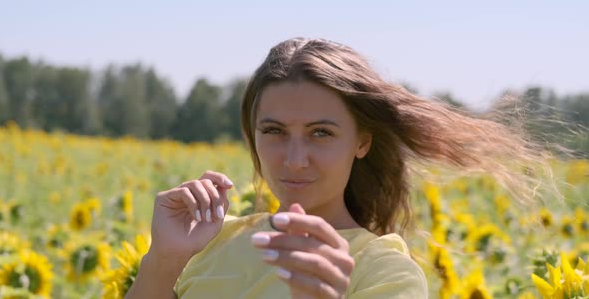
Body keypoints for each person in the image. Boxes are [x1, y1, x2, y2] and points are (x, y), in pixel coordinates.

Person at [126, 37, 548, 299]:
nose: (293, 158)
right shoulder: (210, 242)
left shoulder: (381, 271)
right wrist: (163, 259)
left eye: (320, 133)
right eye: (273, 130)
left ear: (362, 141)